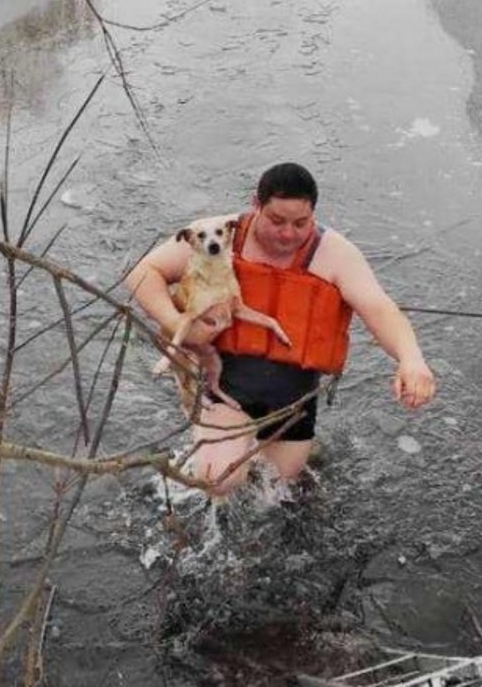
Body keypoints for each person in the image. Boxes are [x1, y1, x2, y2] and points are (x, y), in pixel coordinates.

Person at [126, 162, 436, 496]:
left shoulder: (335, 254)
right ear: (256, 205)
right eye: (277, 221)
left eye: (301, 223)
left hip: (291, 398)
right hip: (226, 384)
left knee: (279, 490)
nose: (288, 233)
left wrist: (411, 359)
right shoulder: (218, 235)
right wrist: (178, 326)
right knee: (219, 481)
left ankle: (272, 453)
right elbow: (144, 272)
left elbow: (379, 307)